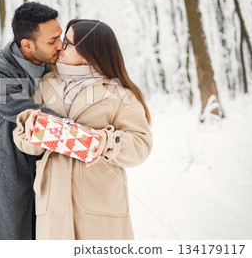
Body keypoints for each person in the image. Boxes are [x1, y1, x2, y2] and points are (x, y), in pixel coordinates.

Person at [13, 19, 153, 239]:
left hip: (100, 206)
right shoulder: (44, 85)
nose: (60, 46)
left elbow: (141, 146)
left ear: (90, 52)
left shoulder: (119, 94)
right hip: (52, 208)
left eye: (68, 43)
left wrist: (105, 141)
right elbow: (26, 145)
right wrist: (27, 127)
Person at [0, 2, 63, 239]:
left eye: (60, 37)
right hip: (7, 167)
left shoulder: (57, 62)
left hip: (49, 164)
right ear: (27, 44)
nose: (60, 46)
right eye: (52, 41)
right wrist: (85, 131)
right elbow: (27, 113)